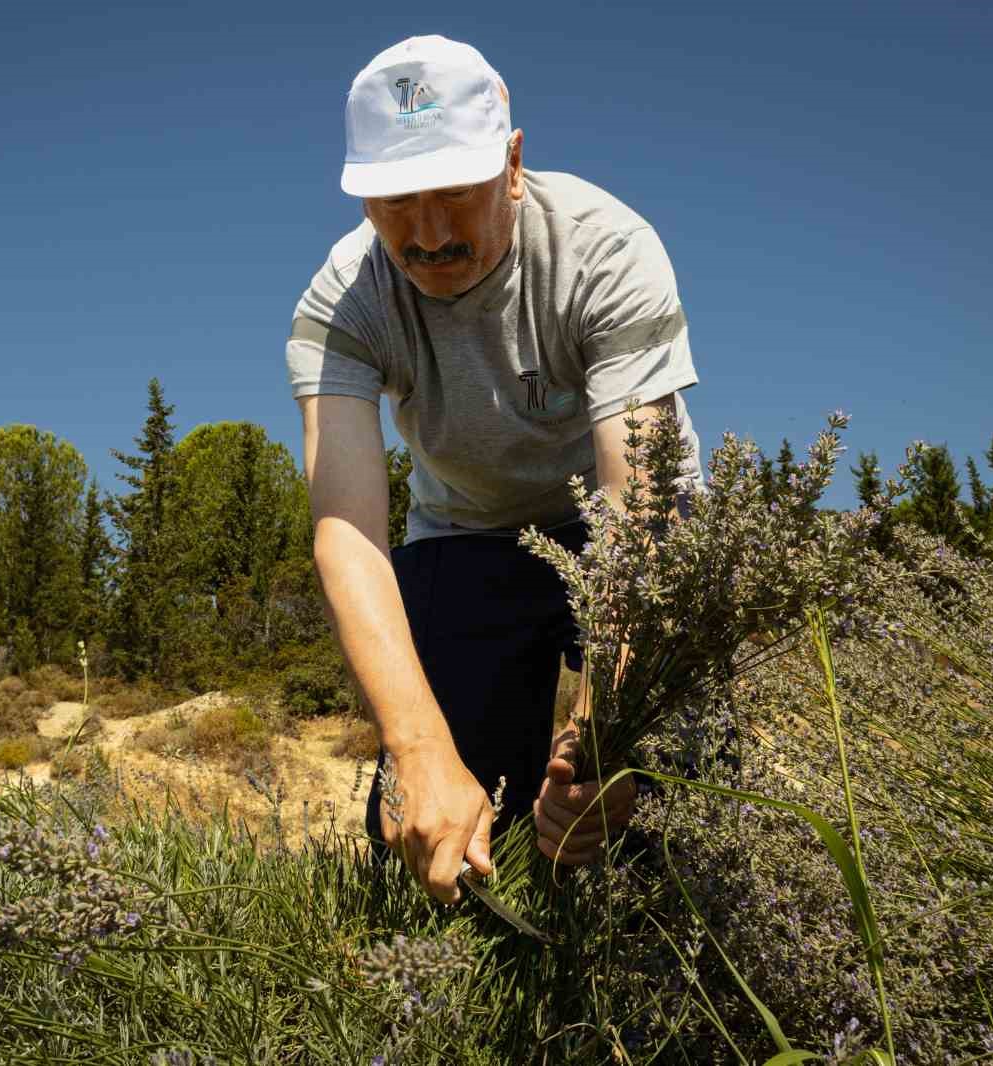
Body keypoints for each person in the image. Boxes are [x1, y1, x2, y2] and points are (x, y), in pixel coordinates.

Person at [286, 35, 704, 904]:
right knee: (430, 832)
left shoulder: (609, 253)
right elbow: (351, 535)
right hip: (468, 529)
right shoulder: (340, 304)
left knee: (656, 785)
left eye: (454, 194)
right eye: (397, 202)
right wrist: (420, 748)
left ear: (512, 164)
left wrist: (606, 730)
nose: (430, 235)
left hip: (623, 526)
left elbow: (640, 519)